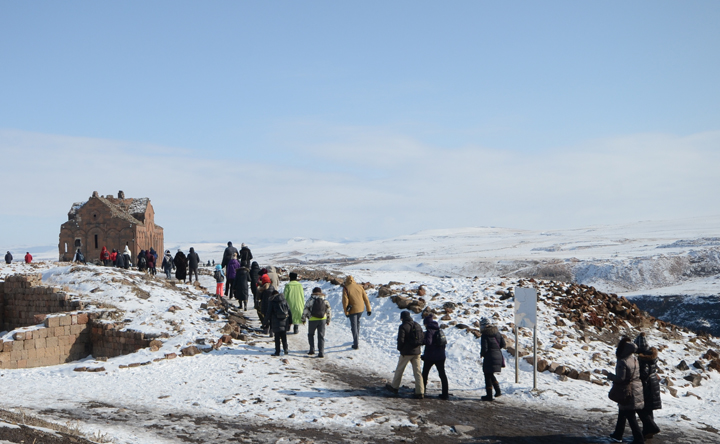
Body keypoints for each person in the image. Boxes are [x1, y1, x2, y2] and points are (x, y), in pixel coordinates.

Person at [608, 337, 645, 444]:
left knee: (630, 415)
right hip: (636, 387)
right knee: (623, 412)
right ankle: (617, 434)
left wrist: (609, 375)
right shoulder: (634, 359)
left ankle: (639, 439)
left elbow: (621, 379)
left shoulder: (623, 362)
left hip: (627, 390)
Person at [385, 310, 425, 399]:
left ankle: (394, 387)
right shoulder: (417, 325)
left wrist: (400, 349)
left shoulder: (403, 326)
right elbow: (422, 337)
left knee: (400, 369)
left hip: (406, 352)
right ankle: (420, 392)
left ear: (402, 318)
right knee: (417, 372)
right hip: (417, 352)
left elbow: (401, 340)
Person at [635, 333, 662, 439]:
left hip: (647, 385)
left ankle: (652, 427)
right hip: (653, 383)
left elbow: (644, 373)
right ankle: (647, 432)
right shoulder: (651, 354)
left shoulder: (643, 358)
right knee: (648, 408)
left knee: (641, 408)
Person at [421, 314, 449, 400]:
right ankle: (445, 393)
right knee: (442, 374)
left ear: (427, 323)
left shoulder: (430, 330)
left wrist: (422, 340)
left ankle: (422, 391)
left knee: (424, 374)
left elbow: (428, 342)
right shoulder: (438, 329)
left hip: (430, 357)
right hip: (441, 356)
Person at [341, 275, 372, 350]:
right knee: (357, 323)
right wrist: (369, 309)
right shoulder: (360, 287)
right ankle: (356, 339)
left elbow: (345, 302)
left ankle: (356, 343)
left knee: (353, 325)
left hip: (352, 310)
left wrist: (346, 312)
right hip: (361, 309)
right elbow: (366, 299)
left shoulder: (346, 288)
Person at [480, 317, 505, 401]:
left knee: (487, 375)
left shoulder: (485, 334)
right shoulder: (497, 332)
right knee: (490, 374)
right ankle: (498, 391)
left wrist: (482, 354)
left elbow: (485, 348)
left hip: (489, 356)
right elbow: (503, 344)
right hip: (498, 355)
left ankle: (489, 395)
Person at [301, 287, 331, 358]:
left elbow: (305, 309)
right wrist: (328, 320)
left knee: (311, 334)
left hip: (312, 319)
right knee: (321, 336)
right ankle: (321, 352)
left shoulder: (310, 300)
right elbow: (328, 310)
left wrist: (303, 319)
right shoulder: (325, 300)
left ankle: (312, 349)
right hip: (322, 319)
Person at [264, 289, 291, 356]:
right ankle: (286, 350)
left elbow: (268, 313)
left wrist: (265, 322)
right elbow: (289, 311)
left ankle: (277, 352)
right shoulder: (284, 300)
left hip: (275, 321)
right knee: (284, 336)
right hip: (284, 321)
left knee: (277, 337)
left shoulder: (272, 301)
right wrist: (290, 321)